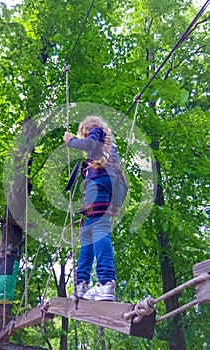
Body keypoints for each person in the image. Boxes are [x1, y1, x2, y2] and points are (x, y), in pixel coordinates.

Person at [63, 116, 127, 302]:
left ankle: (106, 281)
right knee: (89, 233)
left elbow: (88, 144)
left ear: (88, 129)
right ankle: (81, 283)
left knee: (99, 229)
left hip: (98, 184)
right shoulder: (107, 151)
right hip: (108, 187)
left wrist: (71, 141)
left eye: (83, 133)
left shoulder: (96, 133)